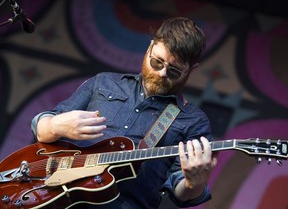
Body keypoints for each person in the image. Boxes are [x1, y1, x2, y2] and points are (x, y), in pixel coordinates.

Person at [31, 17, 217, 209]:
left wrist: (194, 183)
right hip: (58, 198)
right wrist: (55, 125)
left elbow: (181, 194)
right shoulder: (104, 83)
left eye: (174, 71)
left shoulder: (192, 120)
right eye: (157, 62)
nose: (162, 73)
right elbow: (41, 130)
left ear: (192, 70)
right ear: (150, 47)